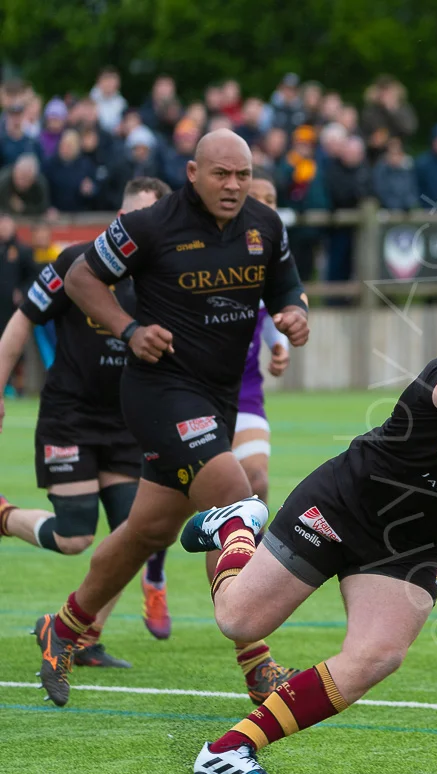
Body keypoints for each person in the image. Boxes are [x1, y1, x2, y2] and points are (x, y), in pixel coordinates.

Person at [181, 314, 437, 774]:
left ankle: (229, 749)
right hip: (343, 506)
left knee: (378, 655)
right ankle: (235, 527)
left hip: (412, 547)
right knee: (240, 623)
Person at [34, 130, 309, 708]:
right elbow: (81, 278)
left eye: (241, 175)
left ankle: (62, 628)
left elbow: (288, 288)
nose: (232, 186)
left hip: (217, 398)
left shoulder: (267, 226)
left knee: (146, 532)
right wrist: (129, 329)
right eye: (220, 175)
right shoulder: (152, 224)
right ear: (192, 172)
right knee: (235, 496)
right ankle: (257, 664)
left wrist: (293, 314)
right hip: (158, 391)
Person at [0, 177, 175, 655]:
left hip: (127, 423)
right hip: (69, 417)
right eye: (129, 218)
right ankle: (4, 516)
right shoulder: (74, 261)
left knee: (133, 538)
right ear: (119, 219)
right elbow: (22, 322)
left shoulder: (166, 276)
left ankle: (80, 637)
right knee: (74, 535)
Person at [233, 176, 292, 504]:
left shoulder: (270, 258)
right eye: (255, 198)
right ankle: (153, 558)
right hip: (196, 393)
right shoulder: (208, 252)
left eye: (270, 199)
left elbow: (269, 313)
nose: (263, 206)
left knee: (256, 481)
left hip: (245, 393)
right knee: (177, 503)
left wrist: (279, 344)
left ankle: (256, 554)